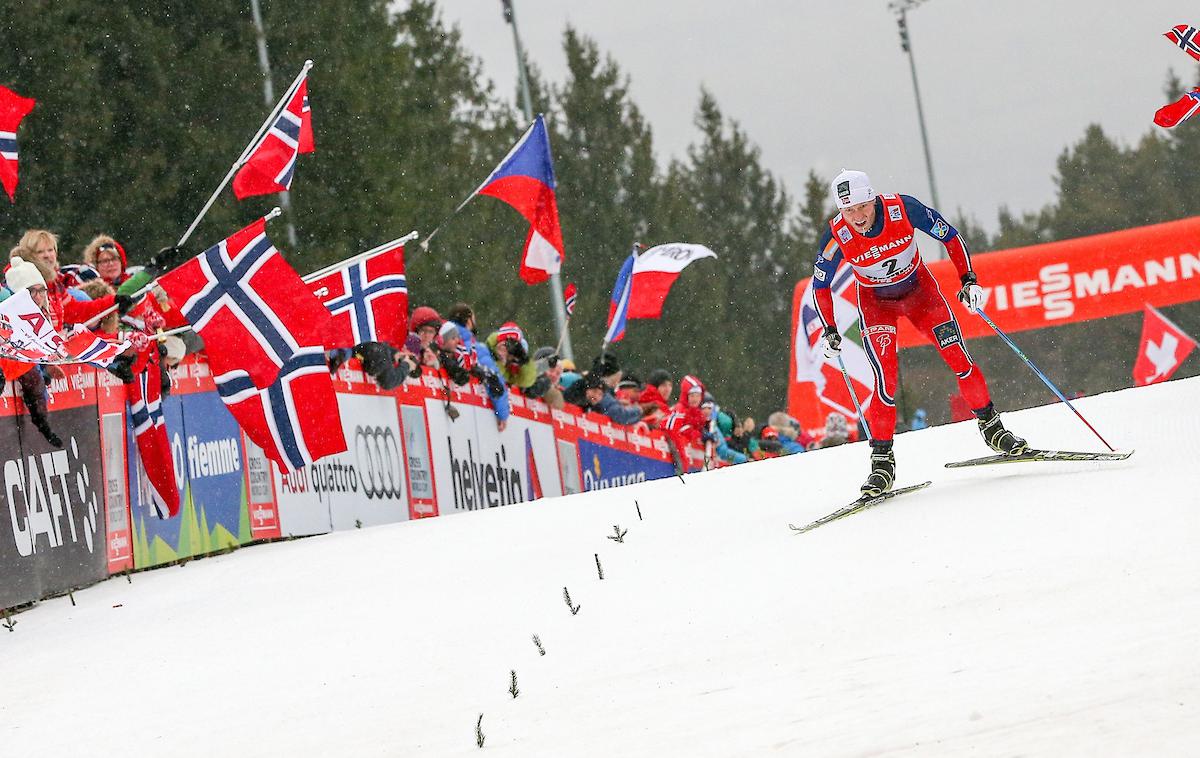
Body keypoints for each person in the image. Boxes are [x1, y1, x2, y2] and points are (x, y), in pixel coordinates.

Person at [813, 169, 1028, 497]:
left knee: (959, 360)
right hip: (876, 305)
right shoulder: (837, 234)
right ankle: (882, 465)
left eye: (861, 207)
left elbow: (950, 236)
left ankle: (993, 428)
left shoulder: (903, 208)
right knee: (885, 382)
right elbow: (820, 284)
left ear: (872, 198)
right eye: (848, 210)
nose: (857, 216)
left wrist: (968, 279)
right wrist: (829, 329)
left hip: (922, 296)